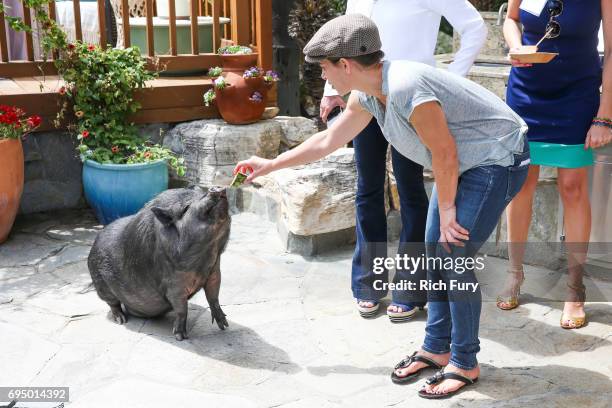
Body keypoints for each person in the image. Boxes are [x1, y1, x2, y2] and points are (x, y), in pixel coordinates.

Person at [234, 14, 530, 399]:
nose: (324, 78)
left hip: (498, 158)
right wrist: (270, 164)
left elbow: (444, 153)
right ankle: (437, 347)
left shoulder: (406, 87)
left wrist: (448, 213)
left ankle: (464, 361)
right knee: (433, 252)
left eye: (325, 68)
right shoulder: (368, 93)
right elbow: (328, 142)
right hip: (466, 161)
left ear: (346, 64)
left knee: (452, 253)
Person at [320, 0, 487, 322]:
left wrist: (450, 81)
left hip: (410, 100)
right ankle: (367, 284)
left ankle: (411, 287)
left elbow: (475, 28)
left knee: (410, 192)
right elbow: (344, 38)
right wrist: (331, 87)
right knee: (367, 189)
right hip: (364, 96)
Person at [499, 0, 612, 329]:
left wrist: (605, 116)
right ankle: (514, 274)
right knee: (520, 186)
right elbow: (512, 19)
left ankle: (575, 288)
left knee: (573, 188)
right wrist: (516, 45)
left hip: (577, 94)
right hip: (525, 93)